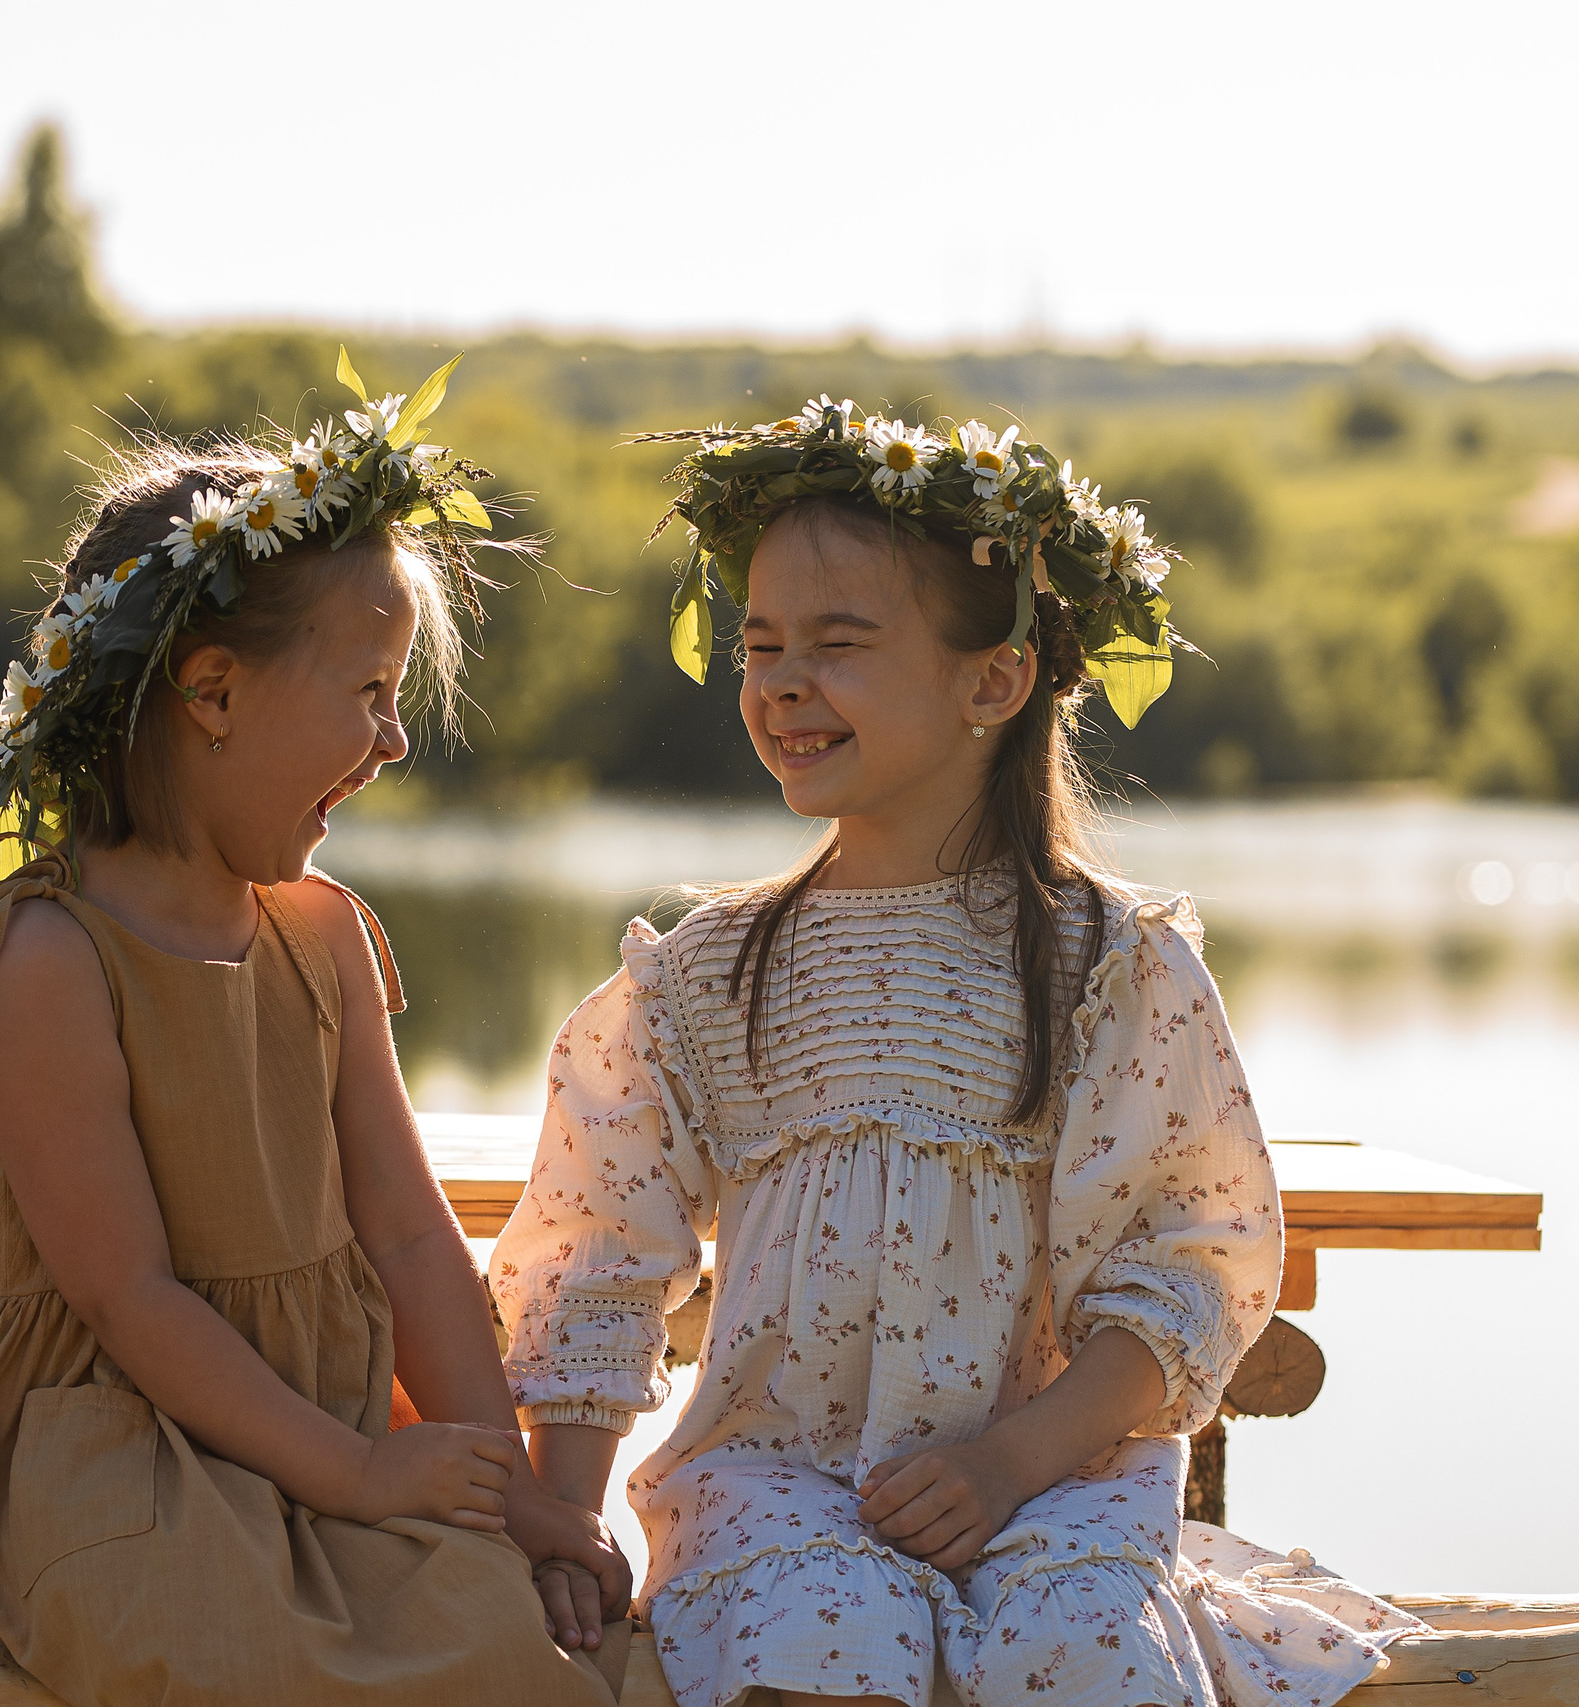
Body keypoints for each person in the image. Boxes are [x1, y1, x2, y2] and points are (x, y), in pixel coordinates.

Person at [491, 400, 1422, 1707]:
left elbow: (1187, 1262)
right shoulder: (708, 975)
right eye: (759, 644)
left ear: (994, 679)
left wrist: (1011, 1462)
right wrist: (572, 1524)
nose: (780, 681)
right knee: (821, 1643)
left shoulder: (1111, 967)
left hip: (1055, 1484)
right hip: (781, 1484)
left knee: (1092, 1652)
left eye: (839, 643)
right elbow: (596, 1252)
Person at [0, 354, 631, 1707]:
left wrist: (512, 1492)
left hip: (326, 1432)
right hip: (103, 1454)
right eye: (368, 692)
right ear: (214, 695)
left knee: (544, 1660)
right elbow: (130, 1297)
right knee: (248, 1667)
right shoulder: (47, 962)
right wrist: (358, 1474)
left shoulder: (323, 937)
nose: (396, 740)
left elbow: (409, 1235)